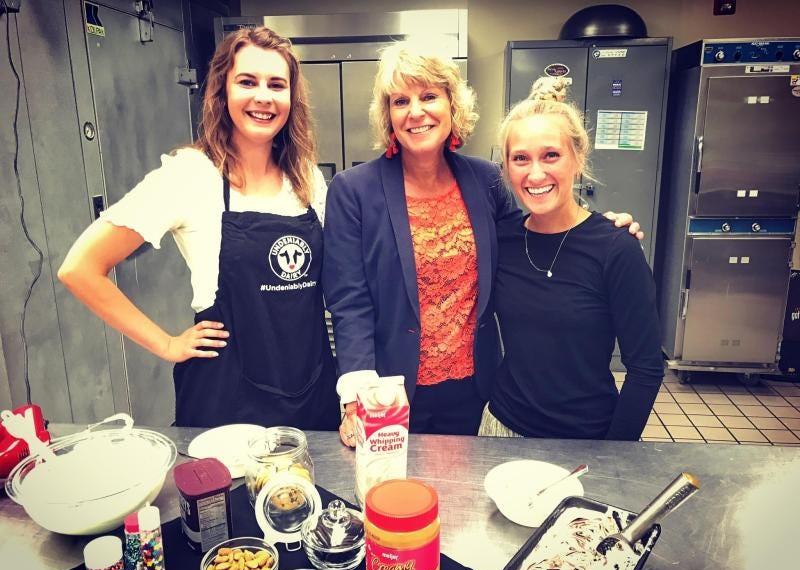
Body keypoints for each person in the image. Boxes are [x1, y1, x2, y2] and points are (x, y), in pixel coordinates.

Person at [324, 40, 643, 446]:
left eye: (429, 96)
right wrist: (356, 394)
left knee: (465, 485)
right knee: (395, 485)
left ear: (452, 105)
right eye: (400, 101)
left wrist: (601, 231)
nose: (416, 111)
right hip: (388, 390)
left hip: (476, 390)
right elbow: (349, 300)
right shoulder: (353, 190)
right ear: (388, 115)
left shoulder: (485, 180)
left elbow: (530, 239)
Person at [58, 27, 339, 429]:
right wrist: (166, 344)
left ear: (292, 98)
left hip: (310, 390)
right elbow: (80, 268)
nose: (263, 96)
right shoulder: (190, 175)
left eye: (277, 85)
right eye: (247, 82)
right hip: (226, 399)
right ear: (222, 91)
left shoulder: (307, 178)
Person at [479, 77, 663, 440]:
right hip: (501, 429)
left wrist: (614, 455)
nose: (535, 173)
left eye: (551, 155)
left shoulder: (615, 248)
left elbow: (646, 368)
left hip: (586, 439)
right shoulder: (502, 239)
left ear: (578, 159)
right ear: (506, 168)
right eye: (520, 158)